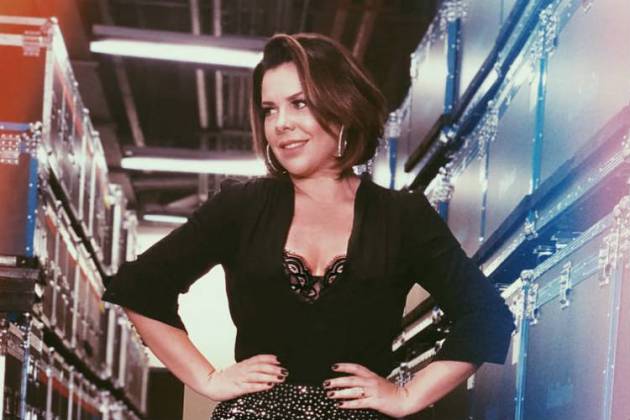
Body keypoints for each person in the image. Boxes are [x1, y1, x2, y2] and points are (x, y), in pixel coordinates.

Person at [101, 33, 515, 419]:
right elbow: (139, 287)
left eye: (299, 103)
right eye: (269, 109)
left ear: (344, 106)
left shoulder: (403, 217)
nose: (280, 123)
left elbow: (485, 315)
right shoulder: (240, 206)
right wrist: (207, 379)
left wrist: (408, 396)